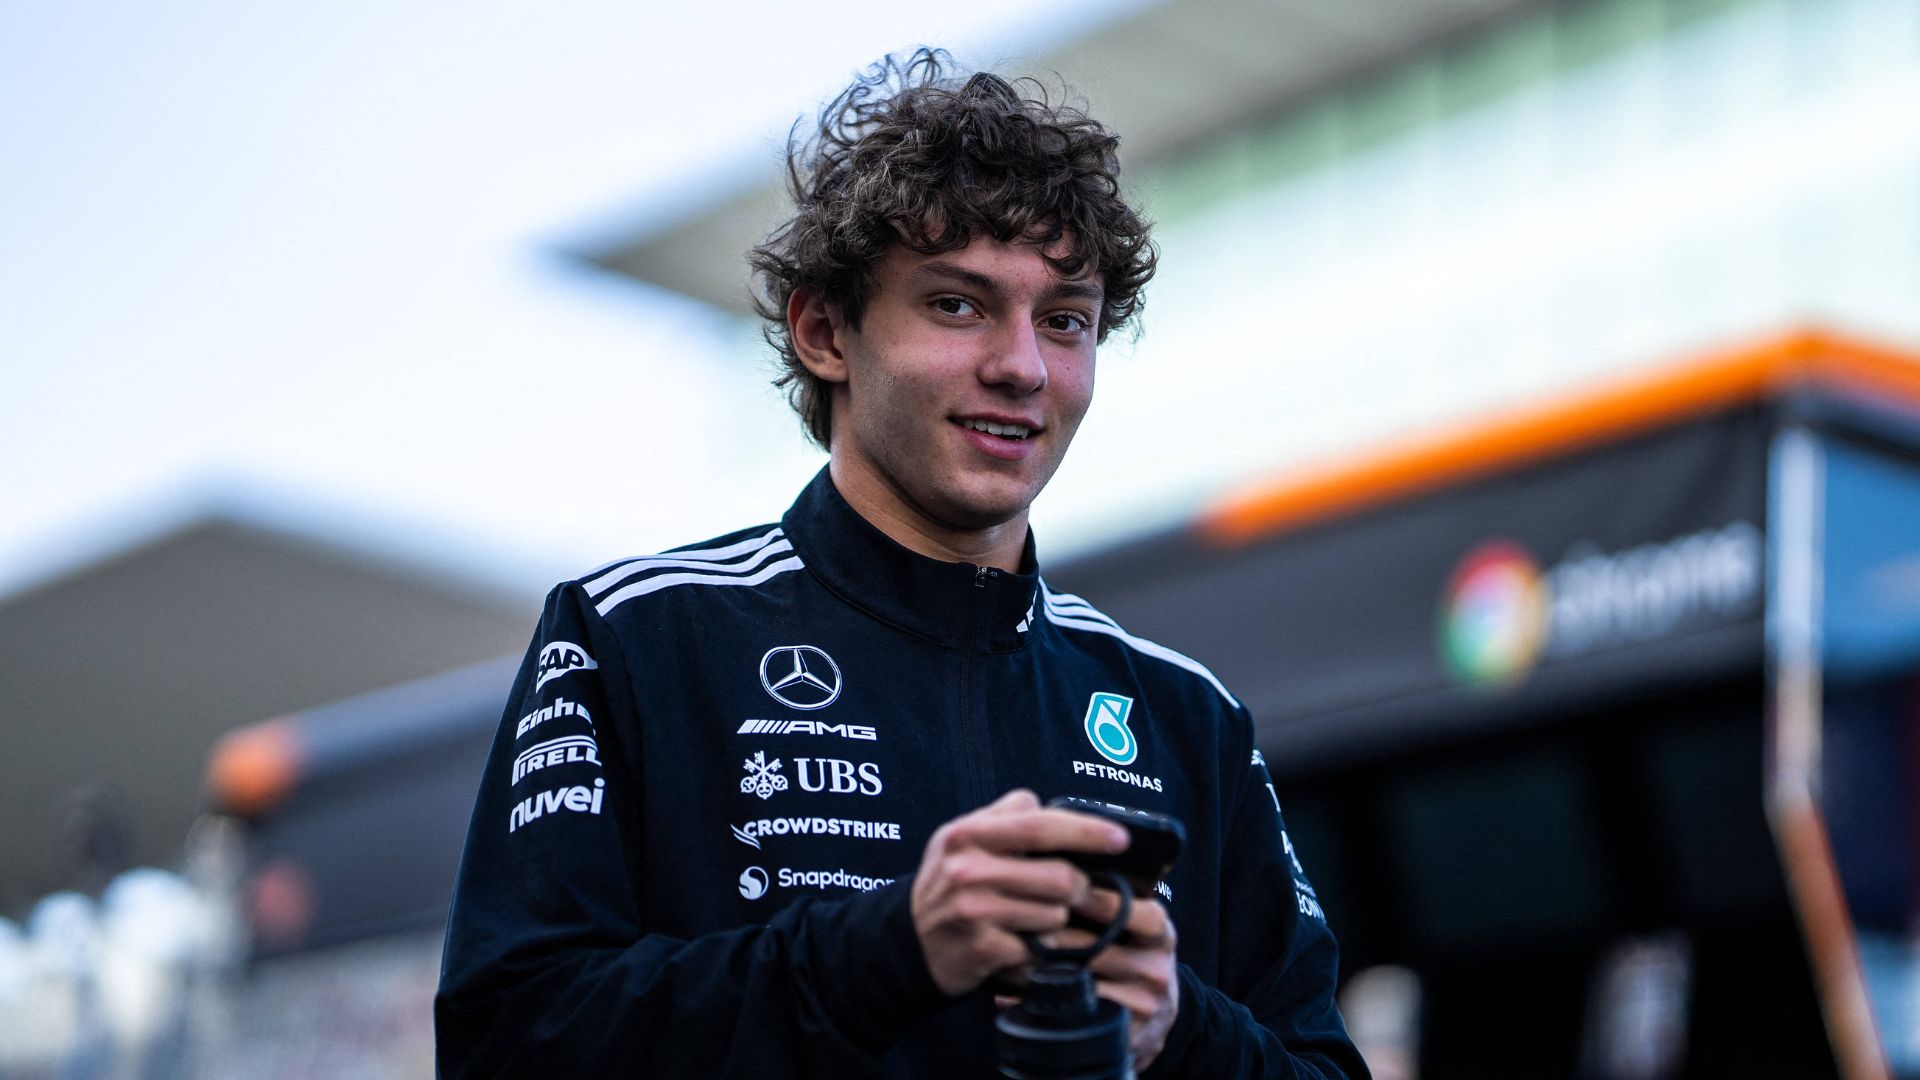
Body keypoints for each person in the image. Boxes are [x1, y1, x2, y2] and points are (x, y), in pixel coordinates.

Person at [435, 49, 1366, 1079]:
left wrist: (1180, 1030)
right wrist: (891, 950)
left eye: (1064, 321)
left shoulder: (1185, 716)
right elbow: (506, 1045)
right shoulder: (635, 637)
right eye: (958, 305)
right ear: (825, 330)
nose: (1020, 367)